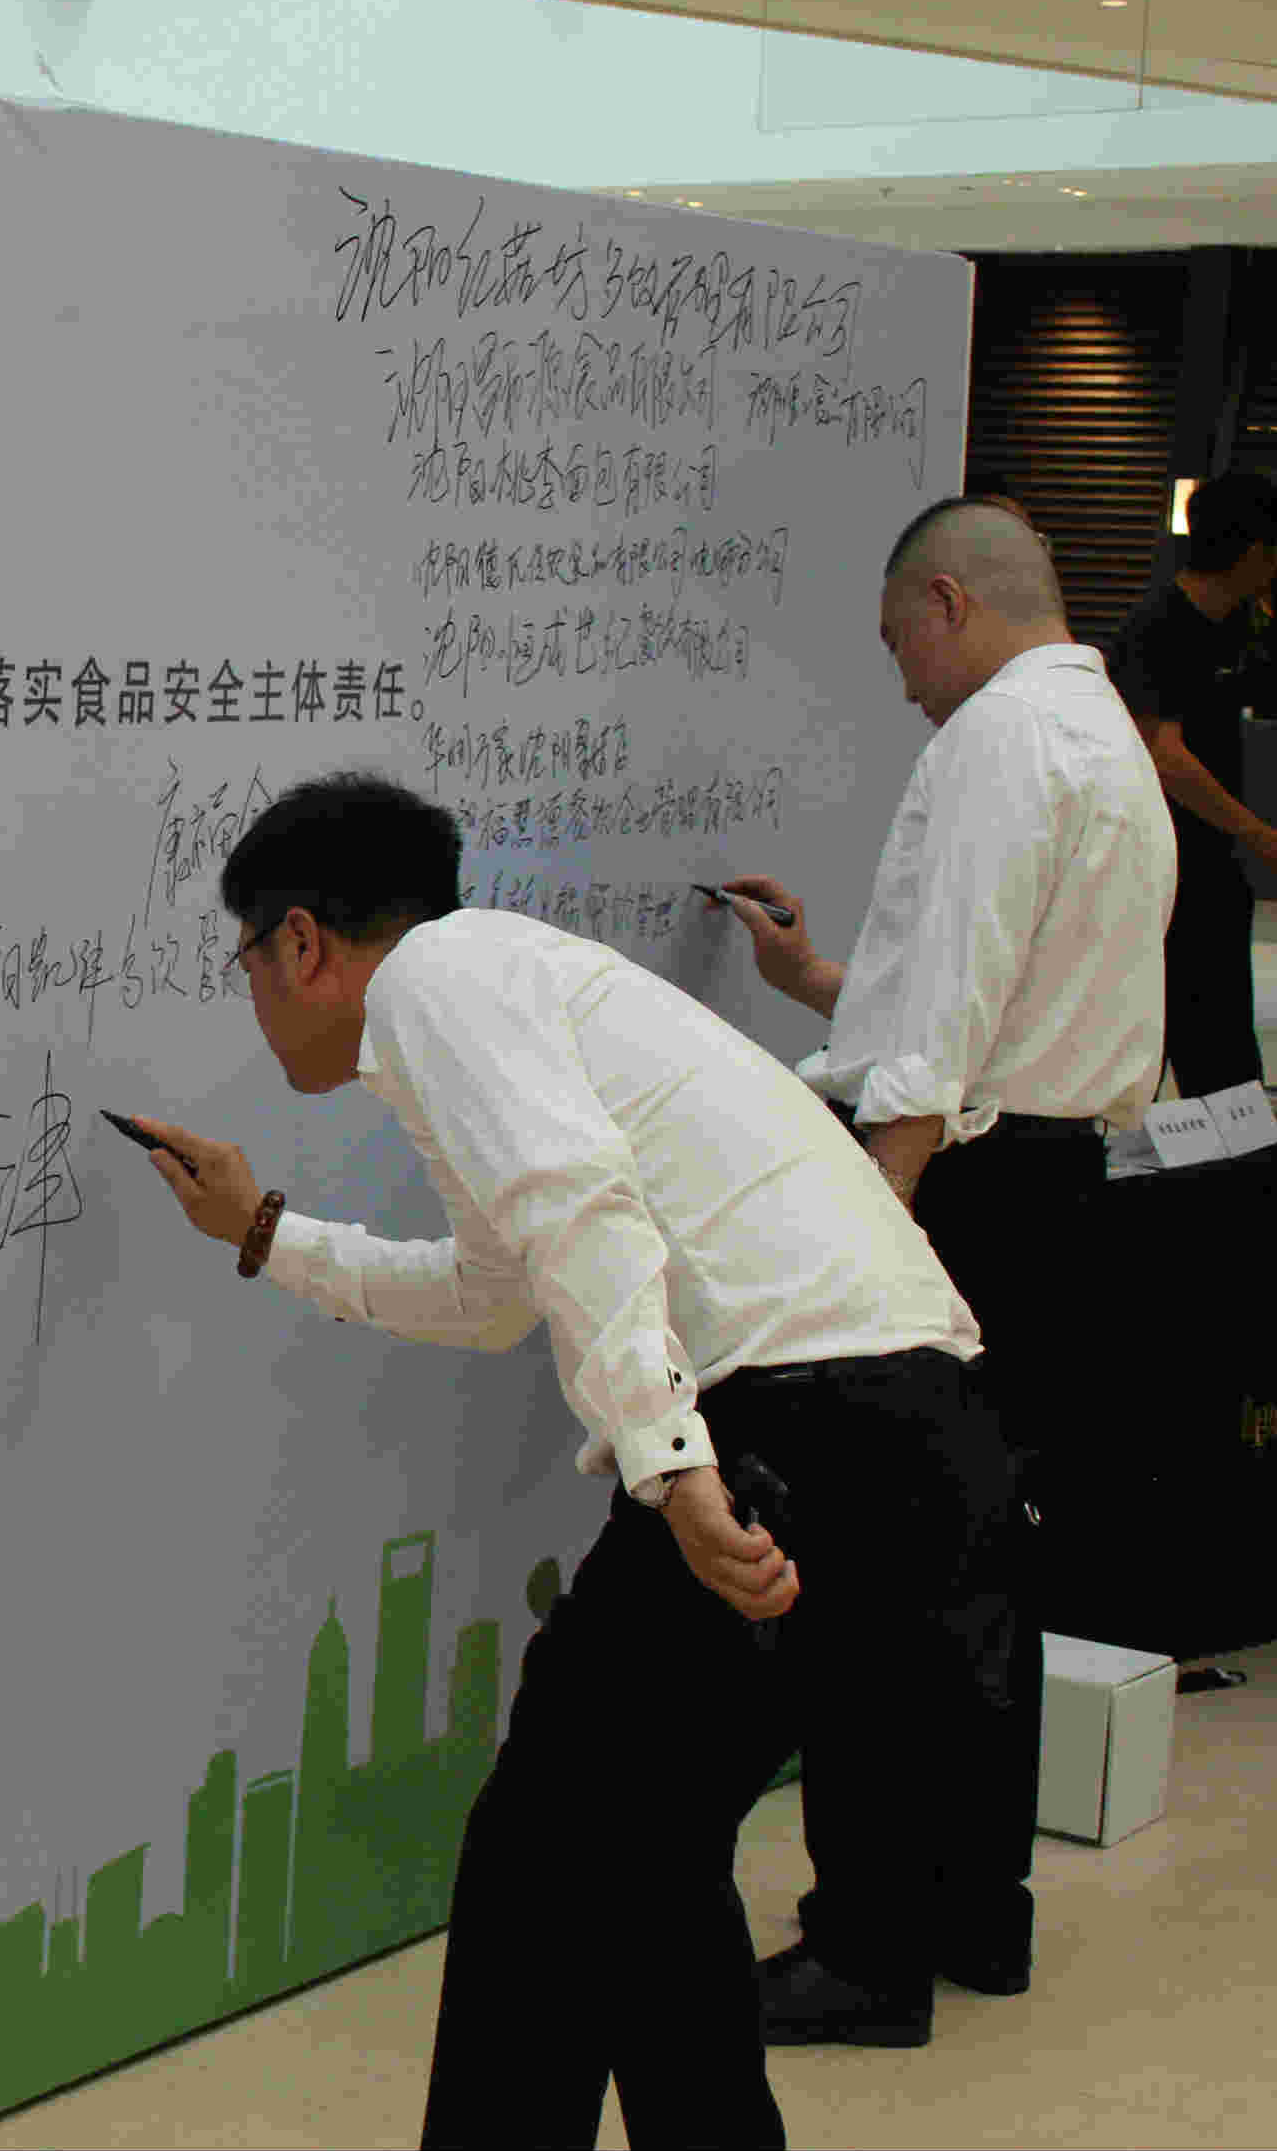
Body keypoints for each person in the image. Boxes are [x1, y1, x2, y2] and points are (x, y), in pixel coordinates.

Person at [126, 774, 1007, 2151]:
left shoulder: (435, 981)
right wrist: (266, 1233)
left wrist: (674, 1466)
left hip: (803, 1424)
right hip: (910, 1426)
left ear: (301, 943)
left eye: (245, 957)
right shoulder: (508, 982)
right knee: (640, 1858)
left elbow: (578, 1204)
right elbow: (493, 1291)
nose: (251, 992)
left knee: (543, 1856)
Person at [712, 496, 1174, 2047]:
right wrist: (823, 984)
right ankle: (977, 1911)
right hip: (1059, 1188)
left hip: (963, 1194)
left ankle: (867, 1947)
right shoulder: (1103, 736)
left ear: (949, 604)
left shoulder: (993, 742)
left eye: (898, 642)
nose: (900, 680)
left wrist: (875, 1238)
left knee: (874, 1565)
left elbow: (948, 1028)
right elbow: (1005, 1000)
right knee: (982, 1569)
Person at [1108, 469, 1277, 1094]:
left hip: (1216, 864)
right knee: (1185, 1036)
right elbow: (1164, 754)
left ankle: (1233, 1138)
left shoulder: (1238, 621)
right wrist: (1259, 834)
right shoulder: (1158, 627)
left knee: (1225, 1044)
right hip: (1164, 866)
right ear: (1251, 550)